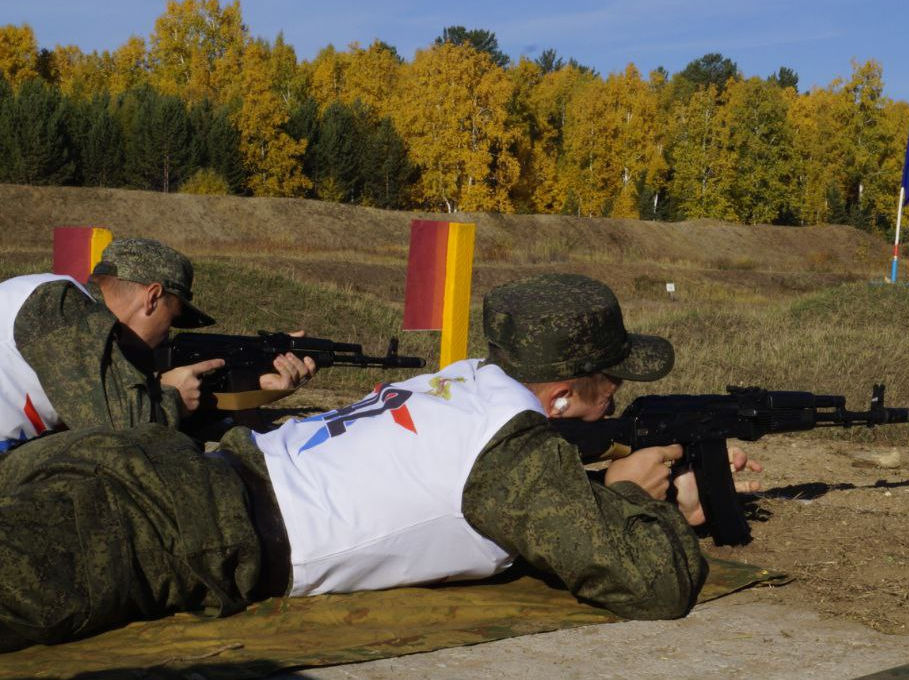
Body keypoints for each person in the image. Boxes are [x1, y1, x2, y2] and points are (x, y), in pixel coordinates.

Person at [0, 273, 761, 652]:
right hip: (171, 526)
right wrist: (634, 498)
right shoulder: (512, 456)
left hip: (146, 469)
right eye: (610, 383)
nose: (616, 396)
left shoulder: (459, 380)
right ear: (562, 392)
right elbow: (653, 584)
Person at [0, 237, 316, 450]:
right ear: (152, 298)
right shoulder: (59, 305)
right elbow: (120, 432)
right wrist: (172, 397)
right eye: (171, 319)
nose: (167, 335)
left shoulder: (79, 321)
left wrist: (254, 385)